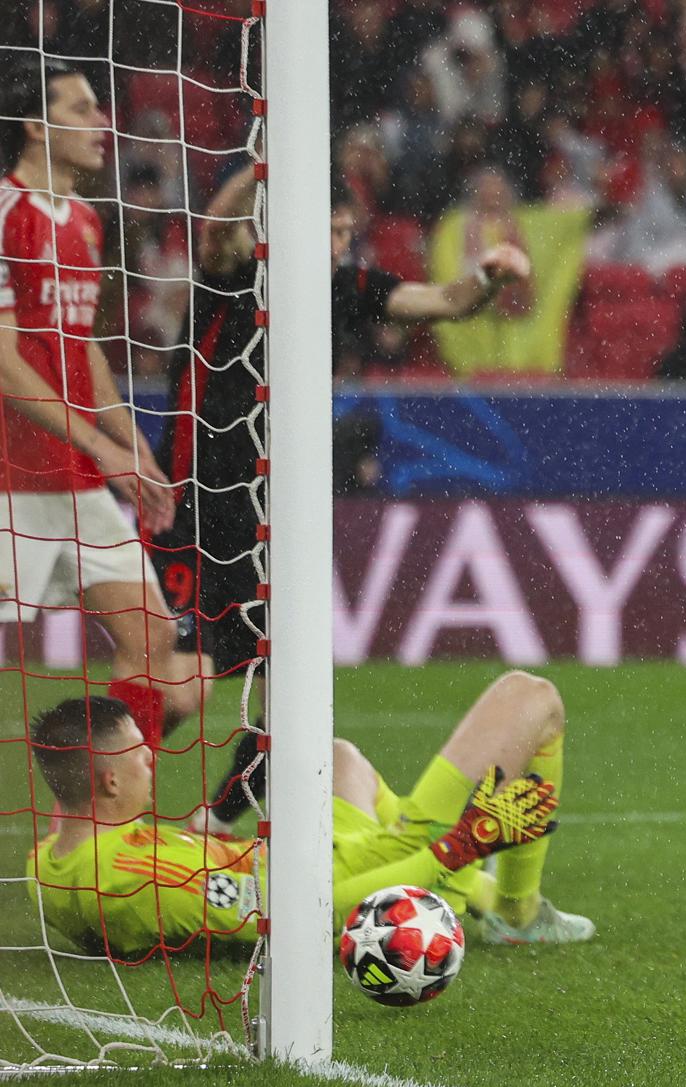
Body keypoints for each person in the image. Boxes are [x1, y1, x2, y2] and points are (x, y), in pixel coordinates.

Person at [149, 165, 532, 835]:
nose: (338, 243)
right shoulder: (234, 274)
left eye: (346, 231)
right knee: (185, 680)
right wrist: (265, 164)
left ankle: (212, 823)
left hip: (272, 513)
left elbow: (445, 300)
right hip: (195, 505)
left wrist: (490, 275)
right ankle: (101, 790)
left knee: (287, 685)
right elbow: (215, 231)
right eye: (328, 229)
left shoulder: (345, 288)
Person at [25, 670, 594, 957]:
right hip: (325, 879)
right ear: (108, 780)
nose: (152, 756)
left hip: (298, 857)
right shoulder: (138, 883)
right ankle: (517, 911)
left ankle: (487, 898)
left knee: (336, 758)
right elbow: (308, 915)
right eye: (136, 751)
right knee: (533, 699)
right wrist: (459, 847)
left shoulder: (47, 862)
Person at [0, 60, 206, 747]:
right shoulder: (5, 215)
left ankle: (107, 824)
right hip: (9, 474)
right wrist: (103, 447)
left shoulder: (86, 220)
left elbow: (80, 344)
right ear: (34, 125)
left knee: (156, 647)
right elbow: (3, 359)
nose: (102, 123)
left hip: (77, 475)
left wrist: (134, 446)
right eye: (82, 109)